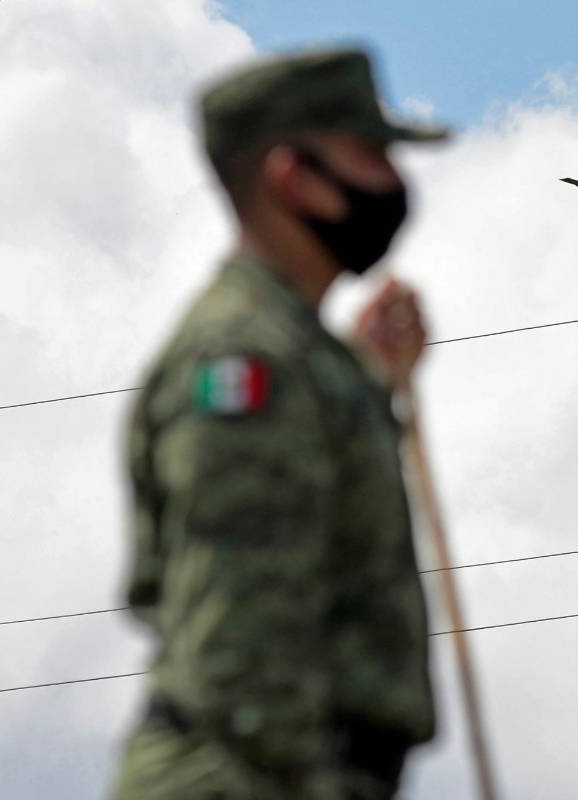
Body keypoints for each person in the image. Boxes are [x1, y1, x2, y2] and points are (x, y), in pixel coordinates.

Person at [112, 47, 447, 800]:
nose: (394, 183)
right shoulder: (245, 362)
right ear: (293, 177)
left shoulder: (294, 355)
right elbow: (245, 663)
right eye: (371, 155)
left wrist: (367, 375)